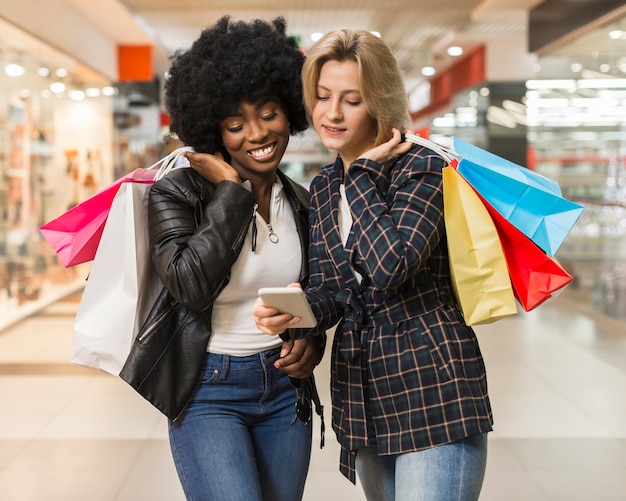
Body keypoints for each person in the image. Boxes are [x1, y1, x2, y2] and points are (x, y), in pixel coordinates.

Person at [254, 28, 493, 500]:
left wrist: (361, 176)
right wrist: (297, 316)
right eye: (322, 97)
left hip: (433, 388)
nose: (332, 113)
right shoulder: (324, 186)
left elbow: (391, 267)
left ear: (380, 101)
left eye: (352, 99)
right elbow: (334, 290)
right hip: (363, 394)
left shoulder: (422, 167)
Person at [145, 16, 325, 501]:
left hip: (284, 389)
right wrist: (231, 192)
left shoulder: (307, 203)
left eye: (268, 113)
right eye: (234, 124)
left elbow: (316, 294)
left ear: (290, 111)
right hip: (207, 389)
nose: (256, 133)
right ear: (213, 131)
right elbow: (188, 284)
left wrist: (312, 340)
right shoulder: (175, 195)